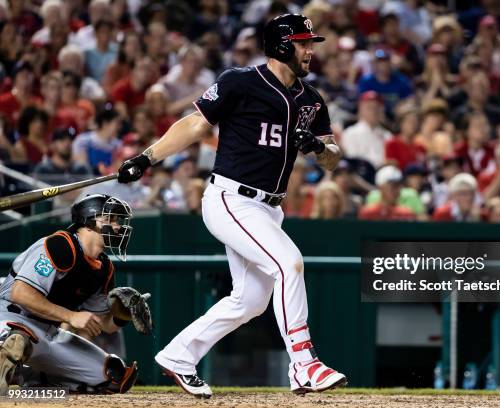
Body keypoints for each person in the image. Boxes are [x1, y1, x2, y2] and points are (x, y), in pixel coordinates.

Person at [116, 14, 346, 398]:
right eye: (304, 43)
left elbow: (333, 157)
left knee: (250, 300)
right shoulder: (241, 81)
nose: (310, 50)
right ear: (282, 46)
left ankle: (178, 355)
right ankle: (304, 364)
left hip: (270, 208)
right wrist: (147, 157)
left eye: (310, 43)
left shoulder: (311, 98)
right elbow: (195, 125)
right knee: (290, 264)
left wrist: (319, 148)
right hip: (231, 198)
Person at [0, 194, 152, 394]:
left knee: (113, 376)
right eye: (111, 219)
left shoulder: (104, 268)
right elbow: (20, 293)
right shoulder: (59, 245)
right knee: (17, 341)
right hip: (10, 318)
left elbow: (103, 324)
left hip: (49, 333)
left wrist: (122, 315)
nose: (117, 226)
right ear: (89, 221)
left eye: (118, 220)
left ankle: (27, 376)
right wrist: (71, 316)